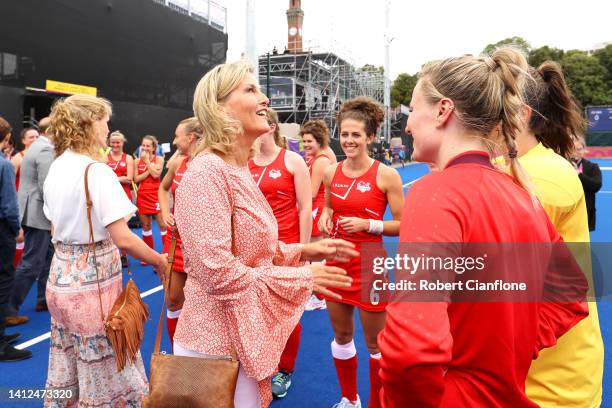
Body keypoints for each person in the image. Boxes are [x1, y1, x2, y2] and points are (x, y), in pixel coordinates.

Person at [377, 48, 589, 407]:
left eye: (413, 110)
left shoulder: (436, 192)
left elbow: (411, 351)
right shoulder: (523, 195)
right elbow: (570, 294)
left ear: (443, 111)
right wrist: (507, 352)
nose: (408, 125)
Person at [173, 61, 356, 408]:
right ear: (220, 106)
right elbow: (216, 271)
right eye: (250, 90)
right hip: (213, 347)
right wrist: (303, 277)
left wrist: (303, 250)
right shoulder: (208, 171)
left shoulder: (235, 168)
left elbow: (255, 251)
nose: (265, 98)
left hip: (239, 339)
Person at [42, 94, 167, 406]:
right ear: (88, 124)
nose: (108, 127)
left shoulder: (57, 167)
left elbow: (54, 227)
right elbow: (123, 238)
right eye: (104, 120)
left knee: (69, 355)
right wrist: (159, 260)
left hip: (60, 278)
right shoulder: (96, 172)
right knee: (106, 360)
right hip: (92, 284)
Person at [517, 61, 604, 407]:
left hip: (548, 385)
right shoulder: (522, 169)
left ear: (518, 115)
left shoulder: (539, 179)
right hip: (539, 374)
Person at [317, 97, 404, 408]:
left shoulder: (386, 175)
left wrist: (370, 224)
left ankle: (377, 403)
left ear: (370, 137)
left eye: (356, 135)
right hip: (336, 261)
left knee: (375, 344)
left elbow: (403, 225)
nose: (349, 140)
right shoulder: (330, 172)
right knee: (341, 336)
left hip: (370, 264)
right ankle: (349, 399)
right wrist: (325, 217)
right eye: (344, 134)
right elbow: (328, 206)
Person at [248, 108, 312, 399]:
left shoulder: (292, 160)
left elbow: (305, 208)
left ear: (271, 126)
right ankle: (262, 365)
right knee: (254, 313)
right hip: (253, 252)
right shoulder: (244, 163)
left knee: (288, 314)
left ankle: (284, 370)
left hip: (287, 248)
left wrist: (304, 250)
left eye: (259, 121)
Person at [158, 117, 203, 346]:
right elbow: (163, 188)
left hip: (203, 245)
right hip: (175, 242)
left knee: (204, 306)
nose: (174, 141)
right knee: (173, 300)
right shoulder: (178, 163)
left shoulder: (212, 162)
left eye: (177, 135)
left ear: (191, 137)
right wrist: (165, 212)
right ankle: (178, 354)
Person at [7, 119, 54, 324]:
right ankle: (8, 310)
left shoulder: (38, 146)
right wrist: (55, 215)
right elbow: (47, 187)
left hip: (35, 212)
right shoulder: (44, 149)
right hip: (39, 214)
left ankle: (44, 300)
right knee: (32, 263)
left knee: (48, 258)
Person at [0, 116, 32, 362]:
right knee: (3, 282)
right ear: (7, 138)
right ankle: (1, 343)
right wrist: (16, 228)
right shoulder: (4, 165)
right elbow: (9, 205)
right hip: (2, 230)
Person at [11, 127, 40, 269]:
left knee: (36, 240)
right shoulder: (17, 158)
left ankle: (32, 268)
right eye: (31, 137)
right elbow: (8, 183)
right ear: (23, 140)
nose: (35, 139)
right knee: (20, 238)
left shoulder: (43, 156)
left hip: (37, 206)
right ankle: (17, 269)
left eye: (36, 136)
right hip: (20, 205)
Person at [134, 135, 165, 261]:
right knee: (146, 226)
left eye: (148, 146)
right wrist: (149, 170)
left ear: (153, 148)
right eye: (143, 145)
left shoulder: (160, 159)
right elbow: (136, 179)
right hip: (142, 196)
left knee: (162, 225)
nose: (145, 148)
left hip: (156, 195)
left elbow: (156, 174)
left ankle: (167, 253)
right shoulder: (136, 161)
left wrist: (147, 162)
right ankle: (149, 256)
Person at [301, 120, 333, 241]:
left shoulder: (321, 161)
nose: (305, 144)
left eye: (309, 141)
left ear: (319, 142)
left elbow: (312, 193)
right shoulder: (313, 158)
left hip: (317, 209)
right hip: (313, 207)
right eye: (304, 141)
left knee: (316, 247)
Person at [107, 131, 134, 268]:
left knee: (124, 226)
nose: (115, 145)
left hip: (124, 196)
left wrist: (112, 179)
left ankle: (123, 255)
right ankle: (111, 254)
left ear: (122, 143)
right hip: (108, 195)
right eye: (113, 142)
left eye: (118, 142)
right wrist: (119, 179)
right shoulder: (104, 157)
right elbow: (101, 178)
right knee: (108, 226)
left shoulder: (128, 158)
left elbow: (129, 179)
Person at [572, 137, 602, 232]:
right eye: (572, 148)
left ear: (584, 150)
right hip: (567, 211)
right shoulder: (562, 165)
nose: (575, 152)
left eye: (579, 149)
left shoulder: (593, 167)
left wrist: (579, 174)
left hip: (586, 211)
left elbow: (596, 185)